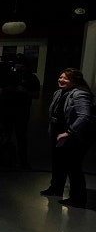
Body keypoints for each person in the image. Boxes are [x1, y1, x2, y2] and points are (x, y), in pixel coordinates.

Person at [40, 68, 93, 208]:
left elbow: (84, 116)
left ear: (75, 81)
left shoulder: (80, 94)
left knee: (73, 167)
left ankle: (78, 198)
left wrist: (69, 132)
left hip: (74, 136)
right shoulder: (58, 93)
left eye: (66, 78)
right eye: (60, 77)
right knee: (58, 163)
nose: (61, 80)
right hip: (58, 133)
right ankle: (56, 189)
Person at [0, 54, 40, 168]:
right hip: (7, 110)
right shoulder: (8, 76)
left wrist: (25, 91)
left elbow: (36, 94)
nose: (19, 68)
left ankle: (23, 161)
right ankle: (4, 159)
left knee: (21, 136)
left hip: (22, 111)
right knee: (5, 135)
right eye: (17, 65)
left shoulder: (32, 78)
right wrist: (6, 89)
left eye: (21, 66)